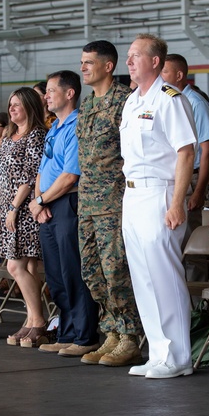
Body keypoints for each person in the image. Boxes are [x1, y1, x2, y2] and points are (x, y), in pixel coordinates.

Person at [121, 34, 197, 379]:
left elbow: (186, 152)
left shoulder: (170, 98)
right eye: (128, 55)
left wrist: (177, 202)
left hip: (160, 194)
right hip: (133, 194)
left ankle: (178, 356)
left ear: (155, 61)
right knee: (143, 278)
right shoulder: (132, 101)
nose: (129, 61)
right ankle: (158, 352)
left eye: (136, 55)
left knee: (164, 276)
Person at [74, 40, 143, 367]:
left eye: (89, 62)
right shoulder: (87, 105)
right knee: (92, 271)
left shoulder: (125, 102)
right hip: (87, 201)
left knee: (116, 270)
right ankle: (112, 331)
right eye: (82, 62)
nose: (83, 67)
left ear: (108, 66)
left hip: (114, 201)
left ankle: (129, 336)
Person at [26, 71, 100, 357]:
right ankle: (67, 332)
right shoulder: (55, 127)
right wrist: (38, 202)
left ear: (70, 93)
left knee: (73, 272)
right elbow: (43, 171)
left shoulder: (76, 125)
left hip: (67, 203)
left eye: (51, 91)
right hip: (47, 206)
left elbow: (71, 175)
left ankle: (85, 336)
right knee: (56, 276)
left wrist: (42, 199)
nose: (46, 96)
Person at [0, 87, 47, 346]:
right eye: (10, 105)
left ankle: (39, 321)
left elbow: (30, 175)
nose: (11, 109)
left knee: (15, 266)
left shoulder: (36, 135)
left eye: (17, 105)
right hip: (5, 208)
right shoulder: (9, 137)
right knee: (28, 268)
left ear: (29, 107)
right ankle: (31, 320)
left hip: (23, 210)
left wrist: (12, 208)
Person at [162, 54, 209, 229]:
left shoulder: (195, 103)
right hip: (173, 175)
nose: (160, 77)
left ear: (178, 76)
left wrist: (199, 191)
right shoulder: (167, 101)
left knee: (189, 231)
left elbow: (208, 149)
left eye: (164, 72)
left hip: (192, 177)